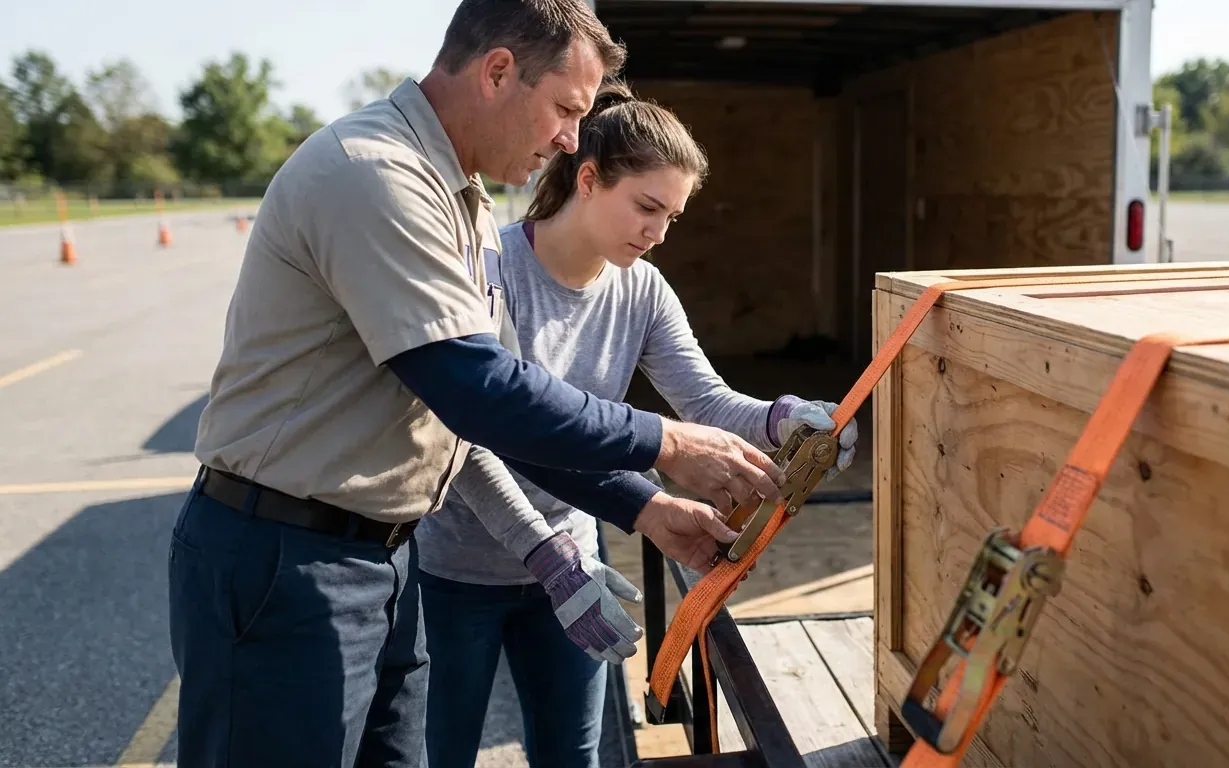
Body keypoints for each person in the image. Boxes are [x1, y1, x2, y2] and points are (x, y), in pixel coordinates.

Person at [165, 2, 792, 766]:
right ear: (498, 71)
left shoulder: (455, 196)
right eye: (565, 108)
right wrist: (662, 442)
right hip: (286, 558)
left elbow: (493, 418)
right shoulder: (376, 175)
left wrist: (643, 507)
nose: (570, 137)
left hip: (378, 561)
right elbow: (479, 390)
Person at [415, 80, 859, 768]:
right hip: (457, 571)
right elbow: (472, 436)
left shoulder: (642, 288)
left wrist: (784, 418)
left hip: (577, 564)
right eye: (646, 207)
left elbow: (705, 404)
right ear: (587, 179)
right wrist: (546, 553)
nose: (656, 233)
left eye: (672, 218)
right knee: (440, 753)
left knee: (573, 754)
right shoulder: (490, 269)